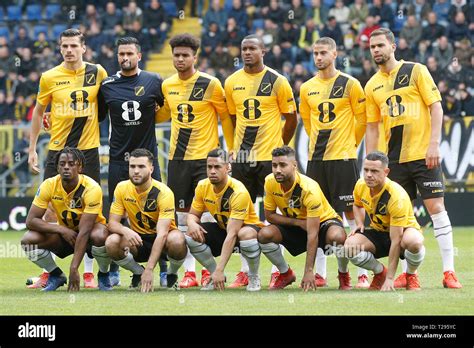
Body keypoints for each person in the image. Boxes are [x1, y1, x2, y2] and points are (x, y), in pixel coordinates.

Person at [364, 28, 461, 289]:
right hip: (392, 163)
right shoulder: (371, 85)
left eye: (380, 45)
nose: (375, 50)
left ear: (393, 46)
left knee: (437, 209)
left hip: (423, 155)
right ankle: (410, 273)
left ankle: (449, 271)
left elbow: (436, 107)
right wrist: (371, 165)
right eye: (372, 46)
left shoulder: (416, 70)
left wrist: (434, 144)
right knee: (403, 218)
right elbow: (372, 127)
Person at [27, 29, 107, 289]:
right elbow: (39, 113)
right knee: (50, 212)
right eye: (64, 46)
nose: (69, 50)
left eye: (74, 45)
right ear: (60, 48)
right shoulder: (49, 77)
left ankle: (87, 273)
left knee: (90, 215)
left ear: (84, 47)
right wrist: (31, 149)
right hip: (58, 151)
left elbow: (106, 106)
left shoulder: (98, 72)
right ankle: (51, 272)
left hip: (89, 151)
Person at [156, 34, 235, 288]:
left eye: (185, 55)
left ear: (195, 57)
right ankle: (189, 272)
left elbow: (225, 117)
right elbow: (163, 114)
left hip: (205, 159)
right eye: (176, 55)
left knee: (207, 216)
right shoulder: (167, 85)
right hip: (177, 159)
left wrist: (230, 148)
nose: (180, 59)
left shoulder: (211, 84)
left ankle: (206, 270)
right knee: (181, 217)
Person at [224, 34, 297, 288]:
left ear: (263, 50)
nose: (247, 52)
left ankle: (281, 270)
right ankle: (245, 271)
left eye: (252, 48)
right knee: (243, 215)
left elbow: (291, 118)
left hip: (269, 159)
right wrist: (234, 149)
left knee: (276, 215)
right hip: (243, 158)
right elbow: (233, 119)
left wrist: (280, 148)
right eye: (244, 48)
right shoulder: (232, 82)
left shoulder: (278, 81)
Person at [99, 36, 171, 286]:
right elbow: (96, 116)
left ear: (139, 56)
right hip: (119, 160)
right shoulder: (107, 84)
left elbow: (165, 108)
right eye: (121, 54)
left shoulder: (153, 80)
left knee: (157, 215)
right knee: (118, 217)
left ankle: (162, 268)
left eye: (129, 53)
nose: (125, 57)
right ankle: (120, 269)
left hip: (148, 158)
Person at [299, 37, 370, 289]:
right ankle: (320, 272)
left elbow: (361, 120)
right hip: (316, 161)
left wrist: (350, 145)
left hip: (343, 159)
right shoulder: (307, 87)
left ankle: (360, 272)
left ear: (335, 53)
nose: (318, 57)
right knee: (316, 217)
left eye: (323, 53)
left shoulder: (350, 84)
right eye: (315, 53)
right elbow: (307, 122)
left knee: (352, 216)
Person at [259, 146, 351, 291]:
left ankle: (343, 274)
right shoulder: (270, 181)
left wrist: (309, 271)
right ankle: (285, 273)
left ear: (294, 165)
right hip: (297, 223)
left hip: (322, 223)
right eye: (274, 165)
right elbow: (270, 216)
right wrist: (298, 222)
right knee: (264, 235)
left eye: (283, 165)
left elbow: (313, 233)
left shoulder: (309, 188)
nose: (277, 170)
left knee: (338, 237)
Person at [21, 147, 113, 291]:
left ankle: (103, 274)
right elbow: (31, 221)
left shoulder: (92, 188)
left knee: (100, 235)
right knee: (28, 240)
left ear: (80, 167)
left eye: (71, 164)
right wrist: (61, 229)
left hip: (89, 237)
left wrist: (74, 268)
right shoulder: (49, 185)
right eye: (62, 164)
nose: (66, 167)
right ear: (57, 167)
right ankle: (56, 275)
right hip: (66, 236)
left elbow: (85, 230)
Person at [105, 149, 186, 291]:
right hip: (139, 239)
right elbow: (112, 223)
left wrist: (150, 268)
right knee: (112, 242)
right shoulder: (121, 188)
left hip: (163, 240)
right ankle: (138, 272)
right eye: (132, 166)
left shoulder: (164, 192)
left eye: (141, 167)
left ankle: (171, 274)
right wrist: (125, 230)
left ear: (151, 168)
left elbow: (162, 234)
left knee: (177, 240)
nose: (136, 171)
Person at [344, 151, 425, 291]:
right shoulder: (360, 185)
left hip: (403, 232)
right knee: (350, 247)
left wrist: (390, 280)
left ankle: (411, 275)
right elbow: (357, 204)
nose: (369, 175)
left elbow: (396, 239)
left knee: (414, 241)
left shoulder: (396, 196)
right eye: (366, 170)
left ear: (386, 172)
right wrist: (360, 223)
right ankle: (380, 272)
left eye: (374, 171)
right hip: (380, 231)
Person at [185, 149, 263, 291]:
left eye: (217, 167)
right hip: (225, 229)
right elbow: (192, 215)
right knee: (190, 235)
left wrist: (221, 268)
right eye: (209, 167)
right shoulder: (202, 185)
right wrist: (191, 223)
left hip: (246, 231)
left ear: (228, 168)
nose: (212, 171)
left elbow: (233, 233)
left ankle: (253, 276)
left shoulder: (238, 191)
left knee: (245, 234)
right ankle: (214, 274)